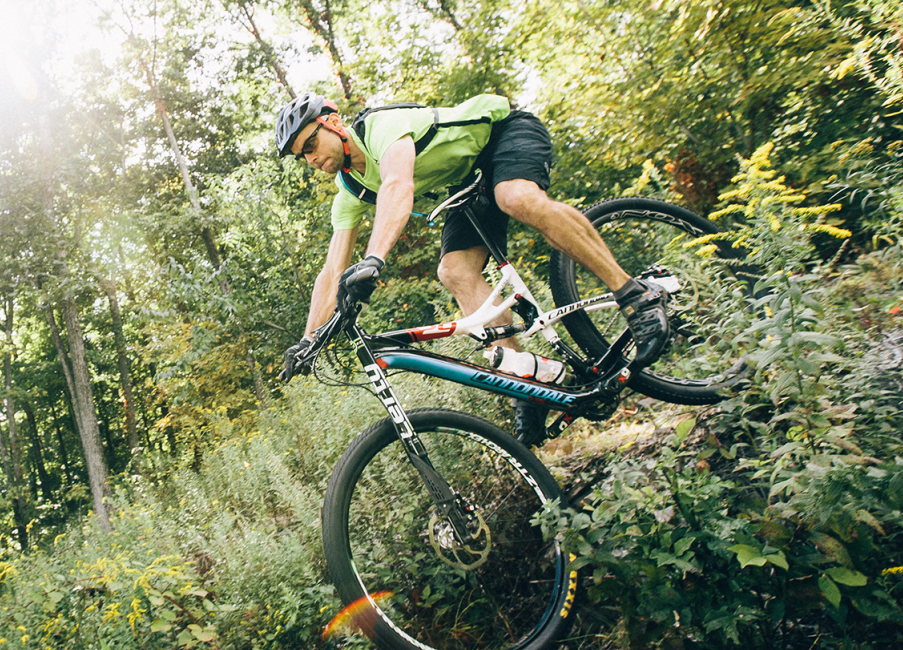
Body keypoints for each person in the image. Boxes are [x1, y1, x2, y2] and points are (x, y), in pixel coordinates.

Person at [272, 92, 670, 447]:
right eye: (302, 156)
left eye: (311, 143)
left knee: (515, 196)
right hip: (470, 182)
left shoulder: (380, 127)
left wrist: (374, 260)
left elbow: (398, 186)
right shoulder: (351, 190)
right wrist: (308, 339)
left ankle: (636, 295)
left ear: (335, 123)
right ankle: (529, 386)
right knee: (454, 270)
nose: (311, 158)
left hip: (504, 133)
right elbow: (330, 271)